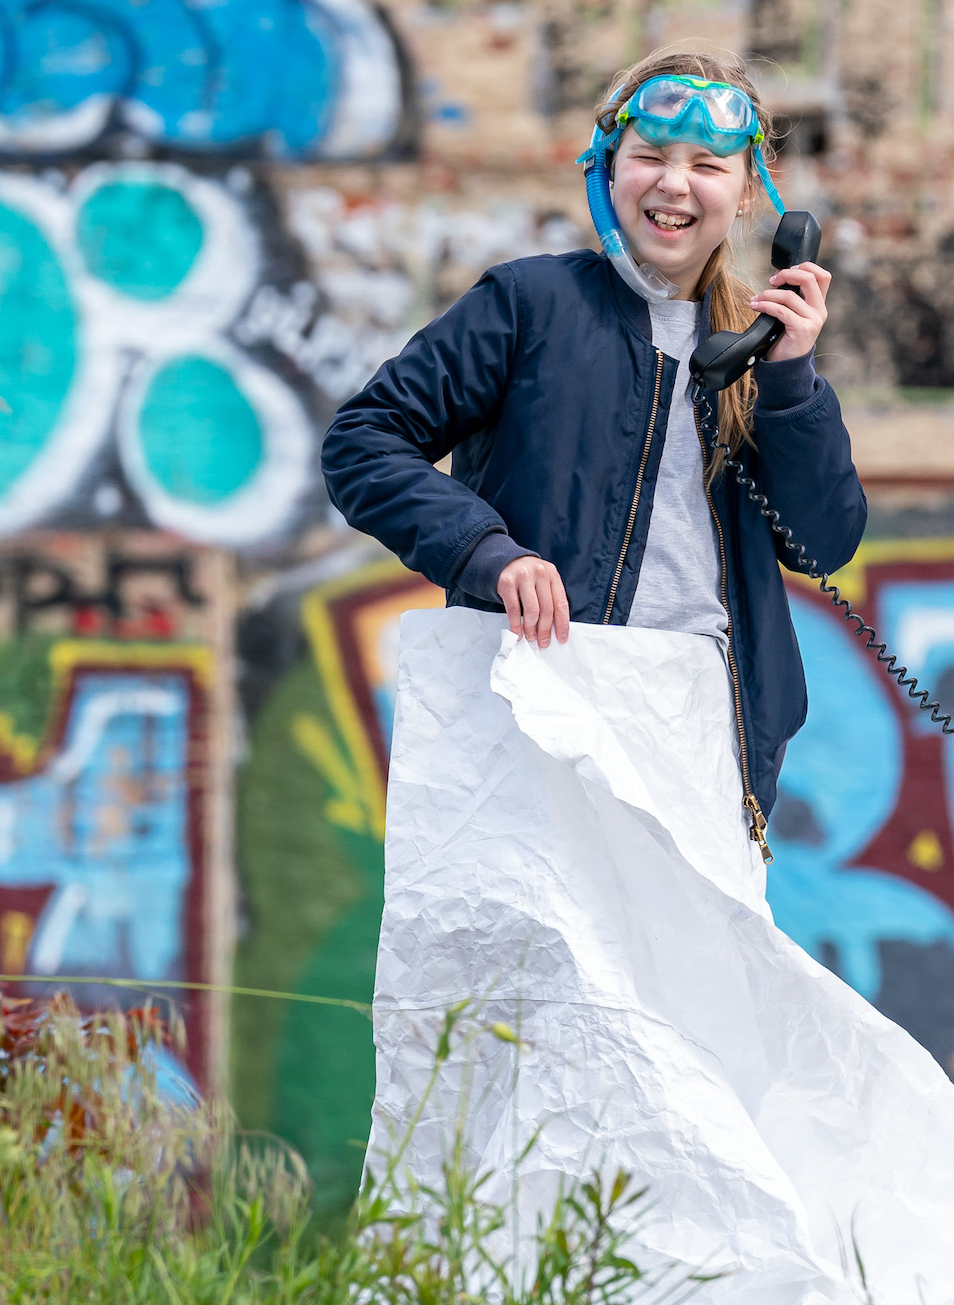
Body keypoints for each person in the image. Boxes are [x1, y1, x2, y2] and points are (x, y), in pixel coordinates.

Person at [318, 45, 864, 847]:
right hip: (537, 711)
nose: (674, 184)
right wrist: (487, 553)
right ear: (606, 171)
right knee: (524, 974)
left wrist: (790, 382)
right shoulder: (529, 304)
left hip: (698, 730)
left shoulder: (756, 348)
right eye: (649, 157)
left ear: (752, 193)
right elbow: (363, 441)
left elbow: (824, 543)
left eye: (708, 165)